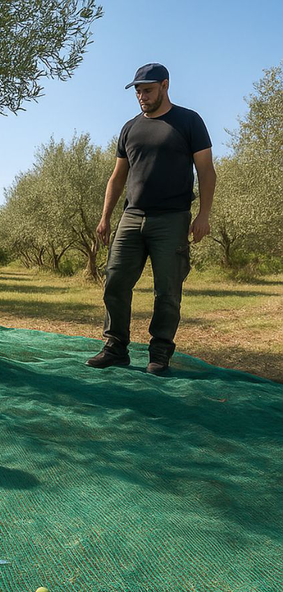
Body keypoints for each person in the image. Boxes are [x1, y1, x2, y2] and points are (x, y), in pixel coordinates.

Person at [87, 63, 216, 375]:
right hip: (131, 218)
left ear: (164, 85)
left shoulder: (189, 121)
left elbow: (206, 171)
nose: (141, 96)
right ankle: (115, 347)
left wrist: (203, 215)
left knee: (167, 290)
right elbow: (117, 178)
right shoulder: (130, 128)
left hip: (172, 219)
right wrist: (105, 217)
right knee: (115, 281)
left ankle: (159, 354)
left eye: (147, 89)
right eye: (138, 91)